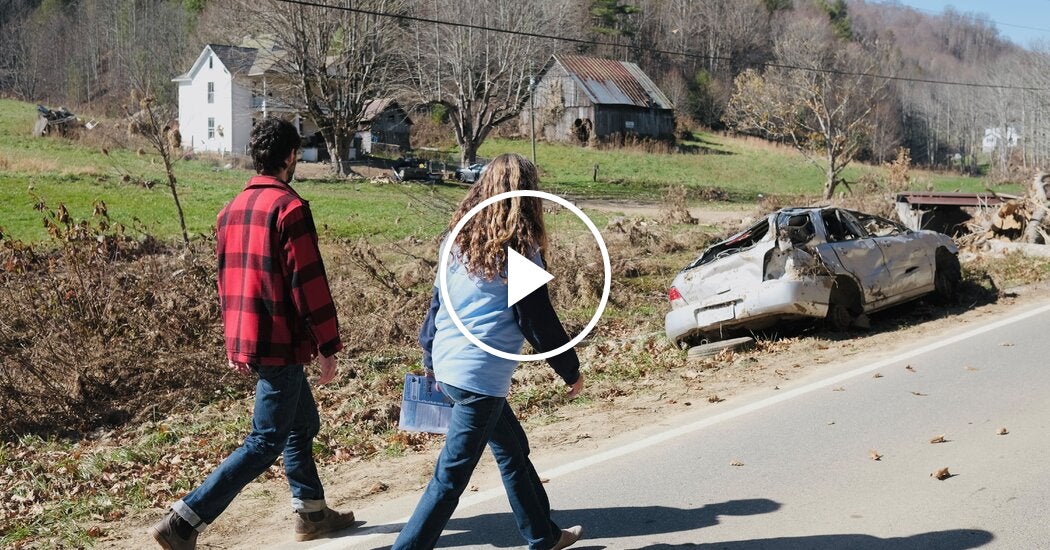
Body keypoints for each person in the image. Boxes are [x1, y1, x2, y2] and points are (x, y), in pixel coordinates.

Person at [149, 118, 355, 549]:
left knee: (302, 423)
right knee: (265, 441)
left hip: (251, 339)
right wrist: (328, 344)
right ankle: (184, 521)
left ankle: (312, 512)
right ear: (290, 156)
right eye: (297, 153)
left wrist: (234, 342)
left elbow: (228, 284)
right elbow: (309, 284)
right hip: (281, 342)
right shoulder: (289, 209)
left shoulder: (230, 210)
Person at [393, 153, 585, 550]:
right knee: (449, 479)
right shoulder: (521, 251)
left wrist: (429, 358)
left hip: (450, 366)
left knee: (513, 449)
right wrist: (570, 370)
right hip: (479, 380)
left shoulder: (457, 240)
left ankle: (543, 534)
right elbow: (538, 322)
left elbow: (436, 305)